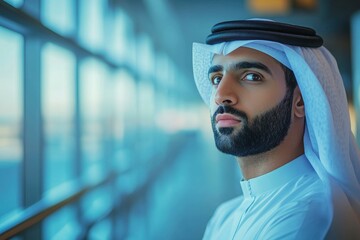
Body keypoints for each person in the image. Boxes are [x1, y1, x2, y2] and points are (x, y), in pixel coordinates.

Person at [192, 19, 360, 239]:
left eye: (252, 76)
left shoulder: (306, 218)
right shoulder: (224, 215)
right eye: (216, 78)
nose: (221, 94)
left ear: (300, 101)